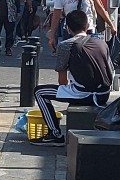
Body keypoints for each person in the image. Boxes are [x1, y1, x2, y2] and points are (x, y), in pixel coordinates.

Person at [34, 9, 114, 146]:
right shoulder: (101, 42)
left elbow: (62, 81)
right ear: (87, 25)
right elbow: (110, 71)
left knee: (40, 92)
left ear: (67, 28)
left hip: (84, 94)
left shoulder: (66, 45)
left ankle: (55, 134)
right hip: (104, 94)